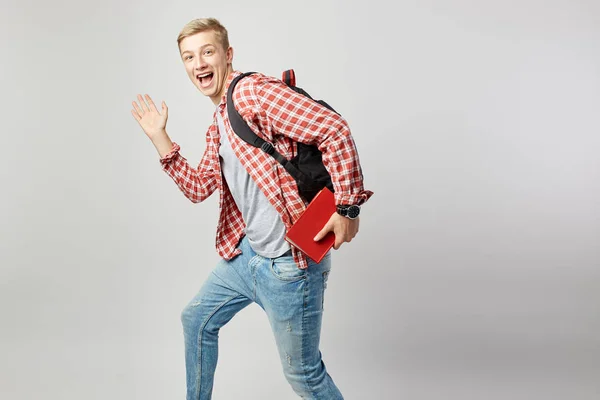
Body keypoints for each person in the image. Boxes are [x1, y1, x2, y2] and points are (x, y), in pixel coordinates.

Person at [130, 17, 373, 400]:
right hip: (249, 258)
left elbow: (333, 128)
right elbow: (199, 188)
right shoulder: (218, 121)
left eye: (207, 52)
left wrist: (348, 207)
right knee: (196, 320)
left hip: (290, 267)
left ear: (228, 55)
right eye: (189, 57)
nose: (199, 64)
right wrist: (160, 137)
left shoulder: (251, 94)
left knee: (305, 376)